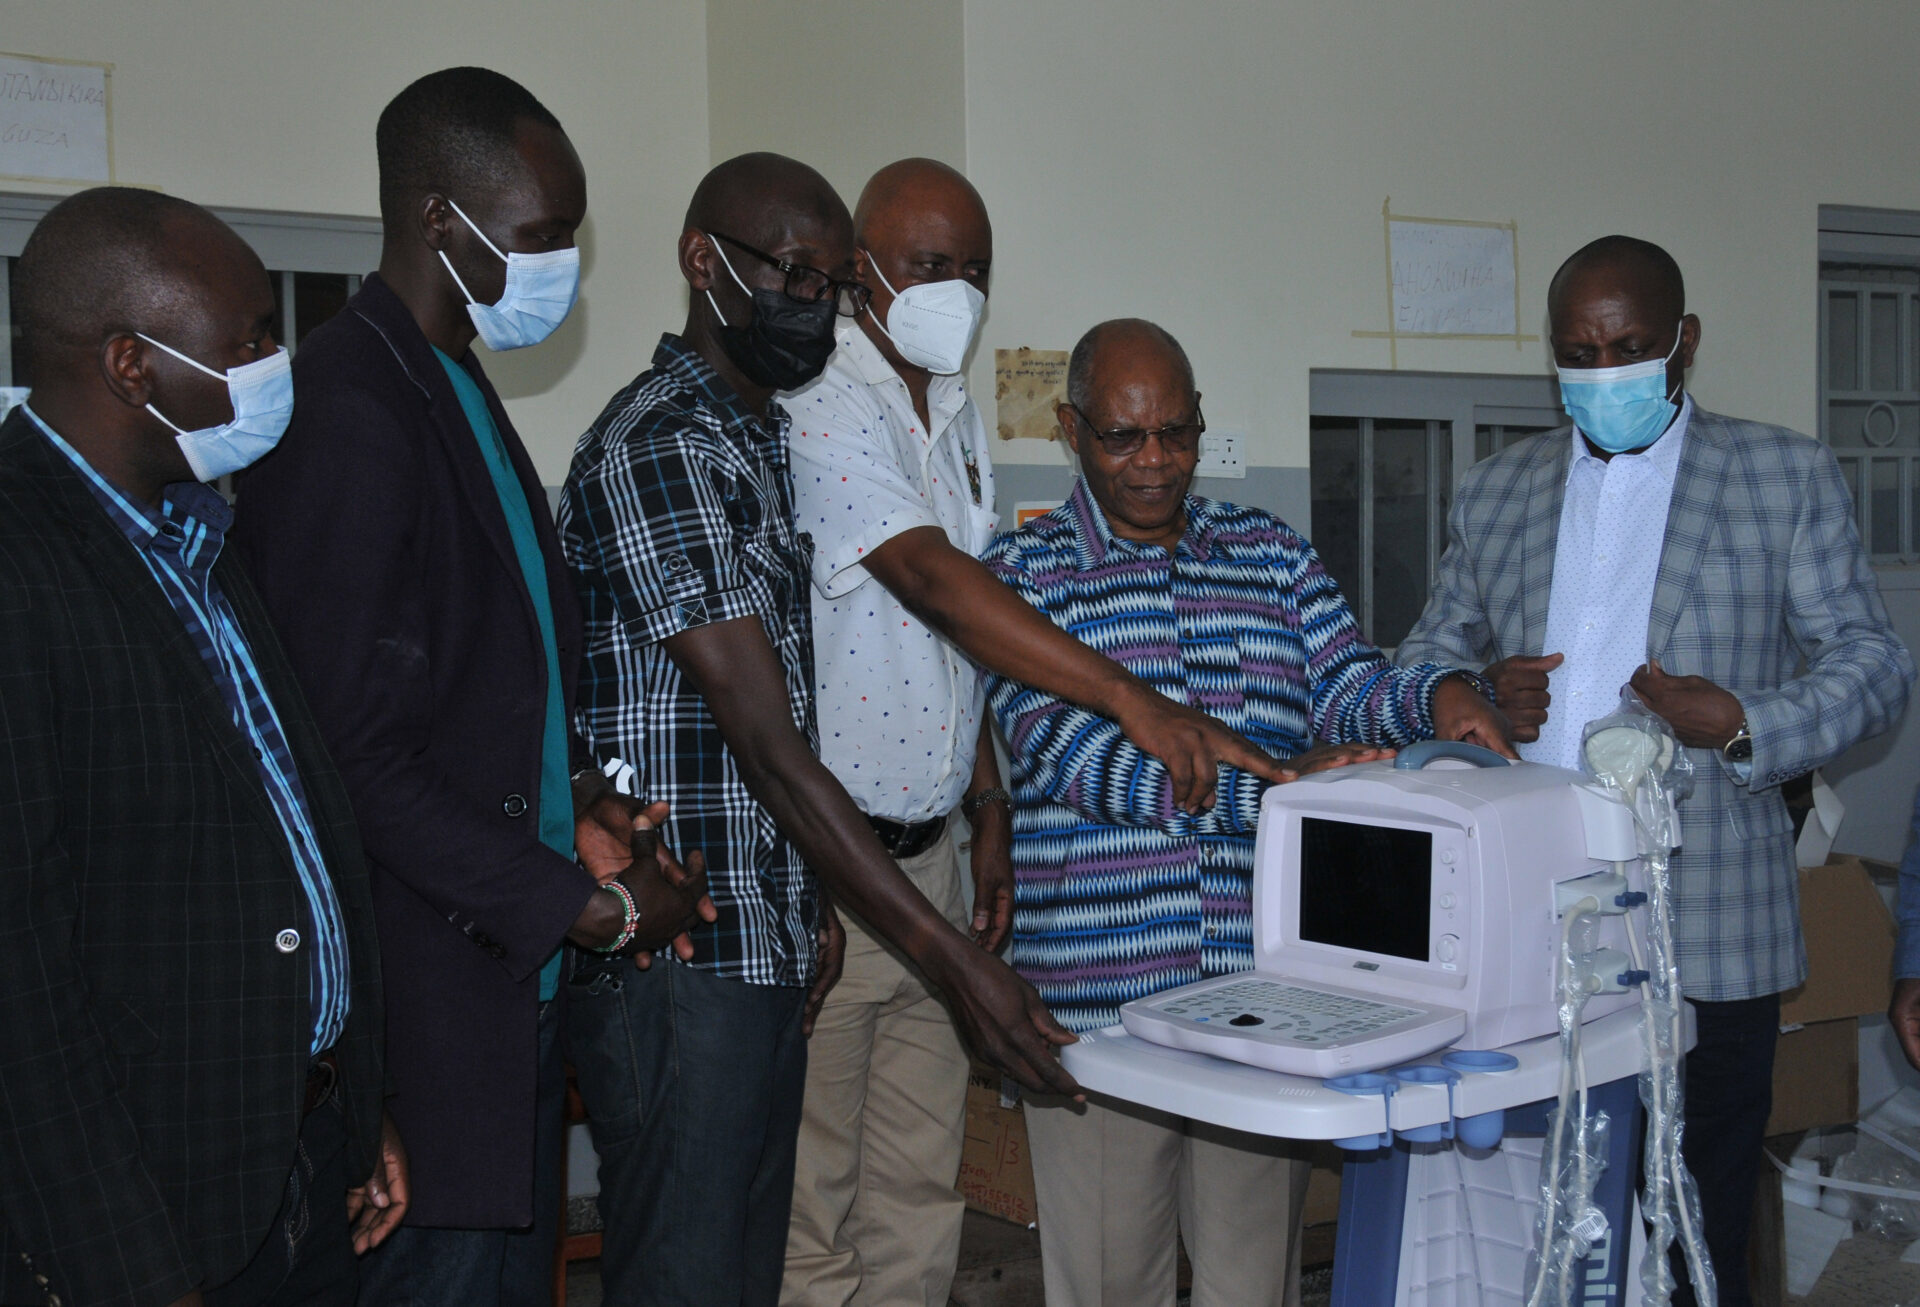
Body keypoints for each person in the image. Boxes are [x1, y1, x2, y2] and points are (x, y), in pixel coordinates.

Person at [779, 158, 1297, 1307]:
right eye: (927, 266)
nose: (953, 290)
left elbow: (951, 668)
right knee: (813, 1223)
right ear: (862, 263)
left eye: (973, 268)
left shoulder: (949, 407)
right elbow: (937, 589)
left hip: (942, 864)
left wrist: (989, 806)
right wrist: (1144, 708)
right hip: (836, 863)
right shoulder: (820, 401)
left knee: (918, 1204)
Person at [235, 68, 710, 1307]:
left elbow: (488, 693)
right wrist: (587, 910)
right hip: (423, 1025)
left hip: (509, 998)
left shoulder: (454, 386)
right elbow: (353, 757)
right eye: (543, 237)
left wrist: (588, 809)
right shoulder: (346, 402)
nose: (561, 265)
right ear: (442, 220)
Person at [1398, 234, 1913, 1307]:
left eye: (1626, 347)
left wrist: (1745, 724)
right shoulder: (1498, 492)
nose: (1602, 373)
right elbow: (1423, 656)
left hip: (1709, 914)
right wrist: (1476, 693)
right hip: (1530, 910)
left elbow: (1873, 664)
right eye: (1577, 353)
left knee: (1695, 1203)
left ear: (1684, 342)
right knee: (1537, 1192)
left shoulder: (1780, 473)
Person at [981, 318, 1512, 1307]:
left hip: (1263, 993)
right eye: (1124, 437)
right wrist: (1277, 791)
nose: (1155, 462)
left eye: (1176, 434)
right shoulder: (1022, 578)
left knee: (1250, 1282)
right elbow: (1070, 755)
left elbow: (1349, 685)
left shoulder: (1269, 554)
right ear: (1069, 428)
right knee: (1106, 1284)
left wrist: (1436, 694)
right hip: (1100, 1010)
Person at [0, 187, 402, 1307]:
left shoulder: (195, 533)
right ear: (131, 363)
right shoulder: (18, 562)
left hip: (299, 1162)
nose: (275, 362)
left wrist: (355, 1104)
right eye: (248, 342)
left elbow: (293, 825)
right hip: (149, 1218)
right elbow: (19, 982)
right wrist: (125, 1266)